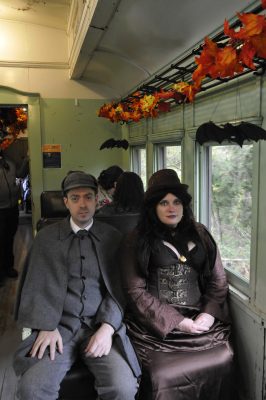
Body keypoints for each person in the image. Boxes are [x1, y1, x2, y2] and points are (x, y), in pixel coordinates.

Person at [13, 171, 141, 400]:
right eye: (75, 198)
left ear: (97, 200)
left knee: (123, 388)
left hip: (98, 327)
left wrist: (108, 328)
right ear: (65, 202)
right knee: (32, 389)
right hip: (58, 329)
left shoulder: (112, 238)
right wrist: (45, 325)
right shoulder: (46, 239)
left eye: (88, 197)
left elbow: (119, 290)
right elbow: (34, 287)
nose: (83, 204)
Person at [120, 169, 234, 400]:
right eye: (163, 203)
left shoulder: (201, 234)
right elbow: (135, 292)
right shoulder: (136, 240)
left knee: (224, 356)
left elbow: (218, 280)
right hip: (157, 327)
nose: (171, 208)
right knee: (163, 373)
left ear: (184, 205)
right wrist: (179, 323)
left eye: (176, 202)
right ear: (153, 207)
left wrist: (209, 314)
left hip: (200, 320)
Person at [0, 150, 29, 286]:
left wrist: (27, 159)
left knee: (9, 238)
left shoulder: (9, 159)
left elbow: (20, 174)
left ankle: (8, 267)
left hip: (12, 208)